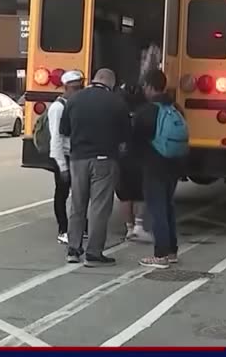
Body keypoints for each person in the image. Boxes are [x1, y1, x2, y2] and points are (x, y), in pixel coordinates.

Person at [59, 68, 130, 266]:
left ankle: (73, 250)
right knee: (99, 208)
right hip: (104, 160)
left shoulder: (74, 100)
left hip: (78, 159)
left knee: (77, 205)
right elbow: (125, 138)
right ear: (111, 84)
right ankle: (93, 254)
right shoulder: (117, 102)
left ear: (94, 80)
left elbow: (64, 131)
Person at [133, 69, 185, 269]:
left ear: (148, 86)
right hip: (174, 164)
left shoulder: (147, 111)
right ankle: (172, 251)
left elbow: (135, 139)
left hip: (154, 165)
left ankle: (160, 255)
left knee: (157, 210)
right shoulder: (176, 108)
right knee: (168, 206)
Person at [48, 70, 85, 246]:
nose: (78, 91)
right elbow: (56, 138)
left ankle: (80, 227)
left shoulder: (77, 104)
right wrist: (62, 166)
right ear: (65, 88)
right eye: (74, 88)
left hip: (76, 155)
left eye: (80, 87)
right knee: (62, 194)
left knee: (80, 193)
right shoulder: (58, 107)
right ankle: (63, 230)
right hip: (63, 156)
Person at [117, 81, 150, 244]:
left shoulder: (118, 110)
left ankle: (129, 228)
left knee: (124, 195)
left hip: (122, 157)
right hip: (141, 156)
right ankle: (139, 226)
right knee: (140, 194)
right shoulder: (145, 111)